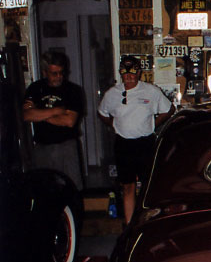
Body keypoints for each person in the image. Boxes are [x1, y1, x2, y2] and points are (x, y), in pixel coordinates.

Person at [98, 56, 175, 224]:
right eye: (125, 72)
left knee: (149, 186)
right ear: (120, 73)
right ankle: (129, 226)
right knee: (128, 186)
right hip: (123, 144)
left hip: (145, 143)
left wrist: (154, 124)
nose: (129, 76)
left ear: (139, 72)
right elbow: (102, 113)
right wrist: (113, 125)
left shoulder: (151, 91)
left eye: (132, 72)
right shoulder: (112, 94)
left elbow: (169, 109)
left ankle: (149, 223)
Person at [22, 51, 85, 190]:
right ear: (45, 72)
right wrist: (56, 111)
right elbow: (26, 115)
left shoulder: (73, 90)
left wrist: (39, 113)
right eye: (54, 73)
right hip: (42, 148)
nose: (59, 77)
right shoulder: (35, 88)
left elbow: (69, 121)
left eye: (61, 72)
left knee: (70, 189)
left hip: (66, 147)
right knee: (43, 189)